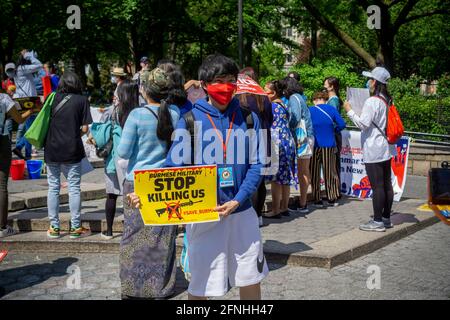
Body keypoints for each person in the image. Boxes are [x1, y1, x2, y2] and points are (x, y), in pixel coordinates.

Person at [150, 54, 268, 300]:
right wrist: (146, 193)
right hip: (203, 215)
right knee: (201, 285)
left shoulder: (249, 118)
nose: (225, 86)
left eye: (229, 80)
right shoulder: (190, 120)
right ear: (204, 85)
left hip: (243, 212)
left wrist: (238, 198)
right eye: (218, 80)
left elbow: (258, 164)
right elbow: (173, 166)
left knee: (250, 279)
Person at [117, 68, 180, 299]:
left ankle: (134, 287)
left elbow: (123, 151)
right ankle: (159, 287)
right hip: (165, 183)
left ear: (144, 90)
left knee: (133, 236)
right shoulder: (175, 113)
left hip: (137, 183)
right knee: (161, 237)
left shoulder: (136, 115)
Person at [344, 66, 397, 232]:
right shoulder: (387, 99)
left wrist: (350, 111)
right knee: (387, 184)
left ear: (375, 81)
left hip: (374, 147)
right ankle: (386, 218)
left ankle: (377, 221)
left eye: (370, 79)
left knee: (377, 186)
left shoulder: (372, 101)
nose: (368, 82)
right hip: (386, 147)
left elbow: (363, 124)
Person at [44, 71, 93, 239]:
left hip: (51, 147)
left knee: (53, 187)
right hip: (72, 148)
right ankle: (75, 227)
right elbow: (85, 129)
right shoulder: (82, 100)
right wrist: (72, 134)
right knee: (73, 187)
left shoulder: (52, 98)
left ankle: (54, 227)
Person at [89, 80, 138, 240]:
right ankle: (131, 230)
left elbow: (100, 132)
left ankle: (109, 231)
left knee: (111, 195)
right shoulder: (138, 112)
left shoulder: (112, 112)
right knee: (131, 197)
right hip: (133, 161)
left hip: (113, 160)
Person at [236, 67, 273, 226]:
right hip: (264, 139)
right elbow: (270, 119)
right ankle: (258, 215)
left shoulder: (238, 97)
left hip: (244, 140)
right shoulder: (263, 96)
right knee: (261, 179)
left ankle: (246, 214)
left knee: (245, 177)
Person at [0, 92, 35, 237]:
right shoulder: (3, 98)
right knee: (1, 185)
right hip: (1, 142)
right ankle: (2, 228)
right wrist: (31, 111)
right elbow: (19, 120)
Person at [263, 80, 296, 219]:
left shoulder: (272, 106)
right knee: (285, 177)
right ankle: (284, 207)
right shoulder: (283, 104)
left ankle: (275, 210)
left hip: (276, 142)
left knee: (275, 179)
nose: (264, 93)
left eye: (266, 91)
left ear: (273, 93)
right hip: (287, 141)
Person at [283, 77, 314, 213]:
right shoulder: (301, 97)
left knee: (302, 172)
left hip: (302, 138)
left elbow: (295, 118)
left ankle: (302, 203)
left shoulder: (293, 98)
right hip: (308, 137)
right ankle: (303, 201)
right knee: (305, 171)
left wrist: (286, 125)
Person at [309, 91, 346, 208]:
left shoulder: (310, 110)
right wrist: (334, 130)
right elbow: (342, 124)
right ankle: (332, 197)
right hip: (329, 144)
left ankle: (317, 199)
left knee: (314, 172)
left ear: (314, 100)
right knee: (330, 171)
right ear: (325, 99)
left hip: (314, 145)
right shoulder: (331, 109)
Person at [5, 50, 42, 160]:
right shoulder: (23, 68)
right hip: (30, 101)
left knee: (29, 127)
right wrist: (29, 56)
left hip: (22, 101)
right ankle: (19, 147)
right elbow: (39, 65)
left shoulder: (17, 71)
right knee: (33, 129)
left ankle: (27, 154)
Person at [324, 77, 343, 196]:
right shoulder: (331, 100)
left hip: (334, 135)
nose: (324, 86)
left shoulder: (333, 101)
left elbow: (334, 120)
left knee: (333, 165)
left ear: (331, 86)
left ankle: (336, 191)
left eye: (325, 84)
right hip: (333, 135)